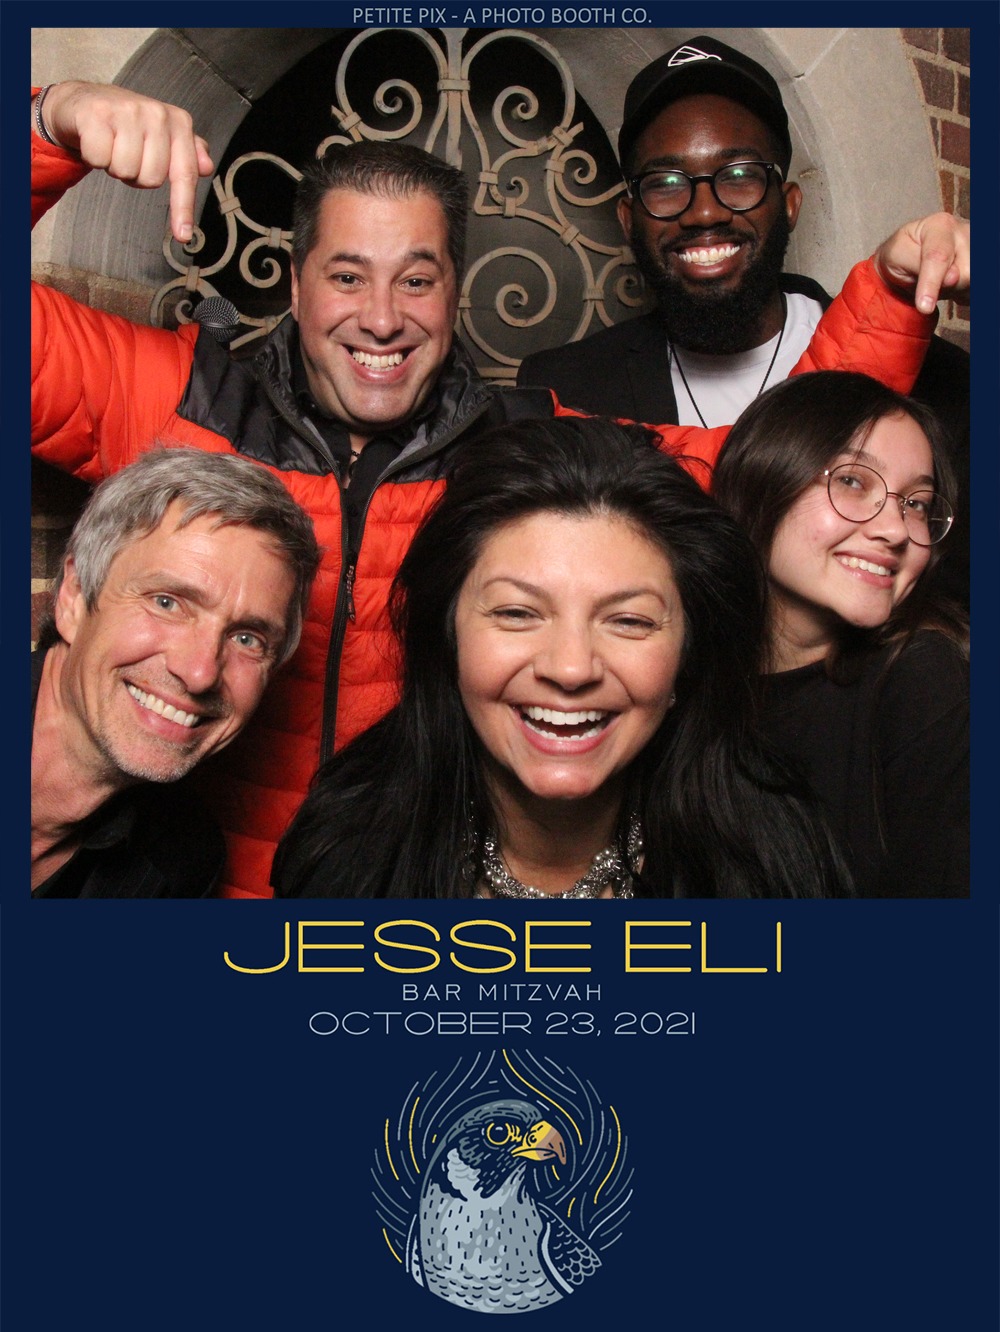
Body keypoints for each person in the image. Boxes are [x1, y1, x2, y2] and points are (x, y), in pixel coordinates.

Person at [31, 79, 963, 898]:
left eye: (418, 279)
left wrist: (890, 294)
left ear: (456, 294)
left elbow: (775, 464)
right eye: (348, 276)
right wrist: (49, 125)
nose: (383, 318)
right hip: (182, 893)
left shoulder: (523, 451)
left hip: (401, 895)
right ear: (298, 285)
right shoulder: (174, 397)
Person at [272, 416, 852, 899]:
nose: (571, 669)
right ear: (447, 640)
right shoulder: (347, 849)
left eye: (629, 621)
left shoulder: (772, 861)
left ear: (687, 657)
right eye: (517, 613)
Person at [515, 35, 971, 604]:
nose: (704, 211)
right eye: (665, 184)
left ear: (789, 204)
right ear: (629, 220)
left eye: (739, 175)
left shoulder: (937, 383)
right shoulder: (564, 389)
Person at [712, 371, 968, 898]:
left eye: (917, 503)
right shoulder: (685, 672)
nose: (895, 530)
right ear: (763, 477)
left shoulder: (924, 680)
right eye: (853, 481)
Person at [31, 448, 320, 898]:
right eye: (167, 603)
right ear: (74, 598)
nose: (200, 672)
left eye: (247, 639)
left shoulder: (184, 860)